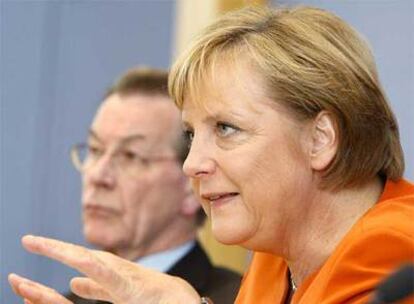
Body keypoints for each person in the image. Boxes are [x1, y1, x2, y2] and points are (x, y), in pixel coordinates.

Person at [8, 5, 414, 304]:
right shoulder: (273, 264)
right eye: (190, 133)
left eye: (225, 128)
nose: (192, 164)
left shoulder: (396, 254)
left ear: (321, 139)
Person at [18, 67, 242, 304]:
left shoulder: (243, 297)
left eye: (130, 155)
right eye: (95, 150)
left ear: (191, 183)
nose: (98, 175)